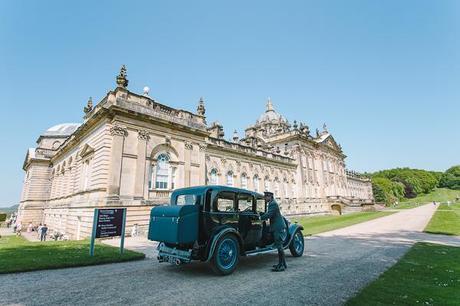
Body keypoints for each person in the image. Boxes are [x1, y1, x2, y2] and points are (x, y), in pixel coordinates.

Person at [260, 191, 287, 272]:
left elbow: (269, 215)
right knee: (279, 246)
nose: (265, 198)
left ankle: (281, 265)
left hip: (278, 227)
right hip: (277, 226)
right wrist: (262, 214)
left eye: (266, 197)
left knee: (279, 246)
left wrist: (259, 217)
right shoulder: (272, 203)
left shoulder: (273, 204)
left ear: (270, 197)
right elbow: (269, 213)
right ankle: (282, 264)